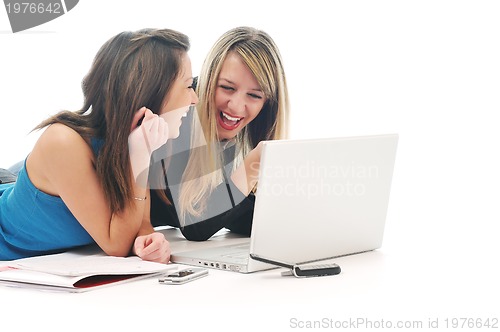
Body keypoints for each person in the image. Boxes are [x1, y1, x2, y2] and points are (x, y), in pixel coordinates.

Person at [0, 28, 198, 262]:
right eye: (187, 86)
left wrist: (148, 242)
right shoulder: (62, 142)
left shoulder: (137, 140)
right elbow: (116, 244)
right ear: (152, 91)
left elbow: (140, 223)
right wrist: (138, 157)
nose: (194, 98)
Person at [149, 26, 290, 241]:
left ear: (267, 103)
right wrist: (250, 168)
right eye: (227, 88)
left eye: (253, 95)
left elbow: (234, 217)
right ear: (209, 79)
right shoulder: (182, 111)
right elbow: (195, 226)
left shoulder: (246, 132)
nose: (236, 106)